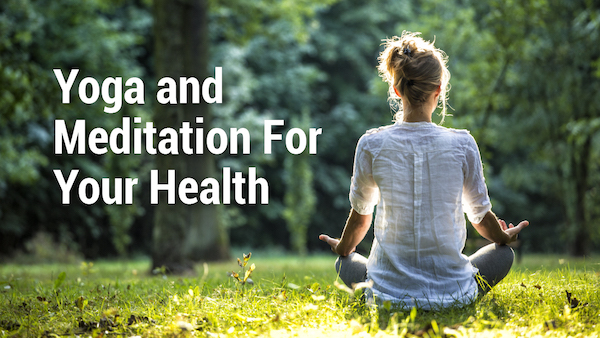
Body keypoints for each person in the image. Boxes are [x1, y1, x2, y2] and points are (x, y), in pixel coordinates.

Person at [319, 32, 529, 310]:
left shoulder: (371, 144)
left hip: (386, 297)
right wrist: (504, 237)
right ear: (438, 90)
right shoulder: (462, 143)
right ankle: (456, 294)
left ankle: (383, 289)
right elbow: (480, 217)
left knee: (343, 262)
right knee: (503, 256)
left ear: (396, 90)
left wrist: (343, 248)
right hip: (453, 294)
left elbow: (360, 218)